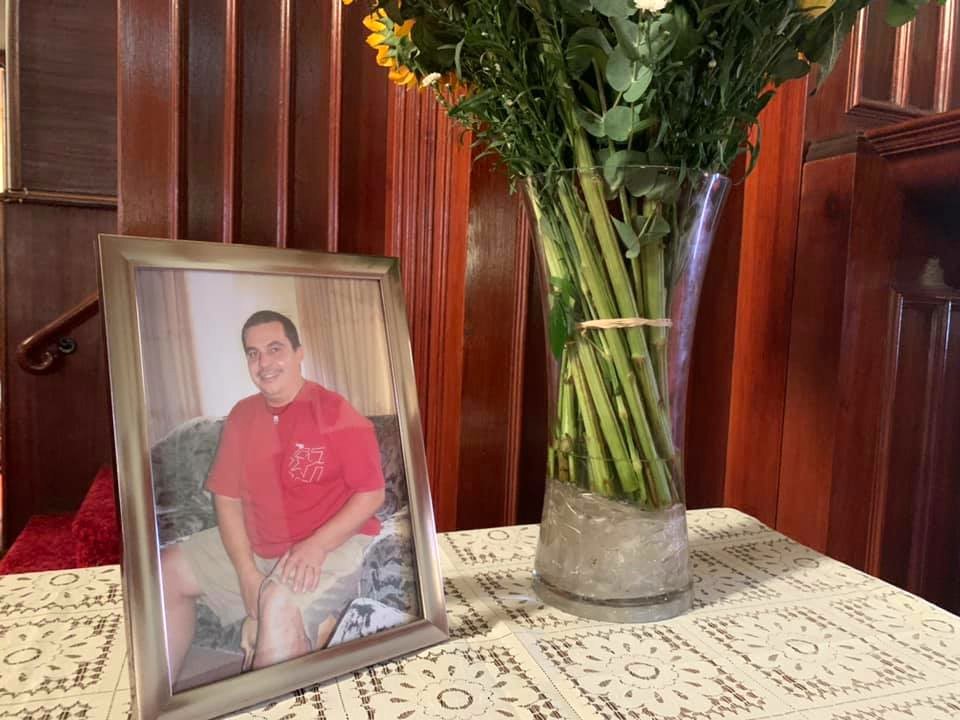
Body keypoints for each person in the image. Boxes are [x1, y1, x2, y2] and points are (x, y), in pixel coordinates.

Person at [160, 310, 385, 684]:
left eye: (275, 349)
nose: (263, 363)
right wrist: (246, 572)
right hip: (260, 542)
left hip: (329, 543)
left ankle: (282, 671)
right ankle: (160, 695)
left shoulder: (336, 413)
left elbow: (372, 493)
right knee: (167, 570)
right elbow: (227, 498)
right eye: (253, 353)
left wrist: (317, 545)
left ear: (299, 353)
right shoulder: (243, 415)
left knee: (277, 605)